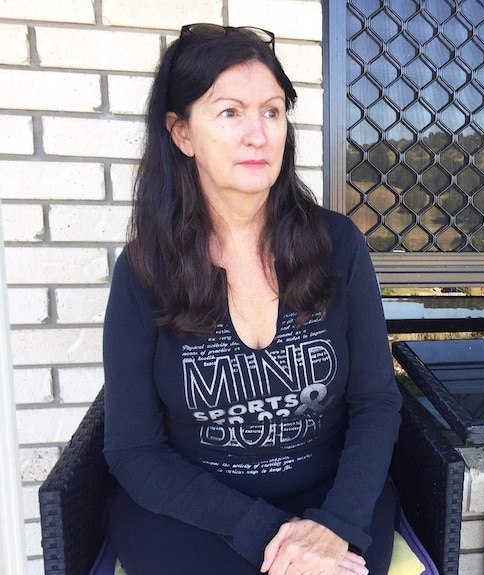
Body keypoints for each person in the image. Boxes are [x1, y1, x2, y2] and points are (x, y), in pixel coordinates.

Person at [102, 24, 402, 575]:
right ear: (181, 133)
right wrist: (267, 533)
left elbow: (376, 402)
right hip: (198, 513)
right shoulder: (146, 269)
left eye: (272, 111)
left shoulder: (338, 245)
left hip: (331, 500)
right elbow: (133, 449)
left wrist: (335, 524)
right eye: (230, 112)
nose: (258, 134)